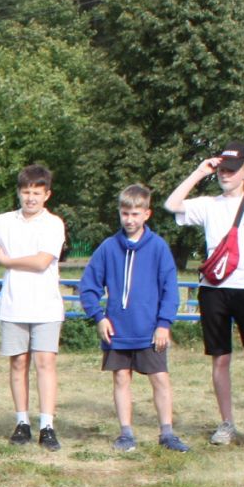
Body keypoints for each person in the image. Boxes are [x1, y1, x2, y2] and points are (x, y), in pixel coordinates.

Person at [164, 141, 244, 445]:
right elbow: (172, 204)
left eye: (232, 170)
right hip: (213, 291)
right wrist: (199, 171)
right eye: (222, 169)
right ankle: (226, 423)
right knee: (220, 359)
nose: (225, 175)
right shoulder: (209, 204)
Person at [0, 163, 69, 450]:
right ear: (19, 193)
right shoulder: (6, 221)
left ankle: (47, 424)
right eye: (26, 192)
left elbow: (41, 261)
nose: (30, 198)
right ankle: (22, 422)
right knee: (18, 363)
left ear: (47, 194)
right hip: (13, 305)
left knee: (45, 363)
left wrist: (7, 261)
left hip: (45, 305)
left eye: (36, 192)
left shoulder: (53, 223)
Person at [79, 185, 189, 454]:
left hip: (150, 330)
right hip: (117, 329)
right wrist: (99, 317)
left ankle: (167, 432)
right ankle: (126, 433)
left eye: (136, 214)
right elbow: (89, 286)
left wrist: (164, 323)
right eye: (125, 213)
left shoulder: (159, 248)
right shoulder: (108, 247)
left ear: (147, 214)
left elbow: (169, 289)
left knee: (160, 378)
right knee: (121, 378)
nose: (130, 219)